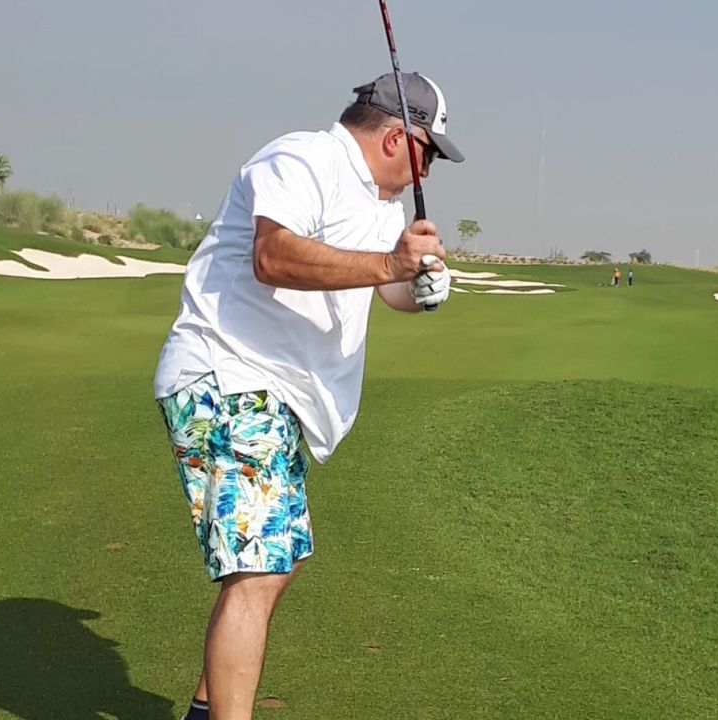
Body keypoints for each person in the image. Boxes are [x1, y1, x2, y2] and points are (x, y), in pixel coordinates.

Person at [152, 71, 464, 720]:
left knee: (279, 562)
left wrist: (419, 289)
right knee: (261, 568)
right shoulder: (305, 158)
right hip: (229, 377)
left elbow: (387, 289)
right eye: (428, 154)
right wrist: (391, 264)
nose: (427, 172)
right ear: (396, 139)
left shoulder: (380, 209)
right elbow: (273, 255)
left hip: (273, 398)